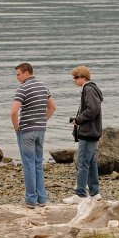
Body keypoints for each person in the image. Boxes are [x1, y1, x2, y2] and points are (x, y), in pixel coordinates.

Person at [11, 63, 56, 209]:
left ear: (26, 73)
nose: (17, 77)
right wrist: (42, 120)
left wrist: (17, 129)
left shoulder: (23, 88)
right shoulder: (44, 87)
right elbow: (52, 107)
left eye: (18, 74)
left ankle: (31, 200)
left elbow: (13, 112)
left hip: (27, 131)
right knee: (38, 163)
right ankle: (42, 199)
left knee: (28, 165)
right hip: (40, 130)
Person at [63, 66, 103, 205]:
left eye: (76, 78)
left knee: (82, 162)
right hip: (92, 131)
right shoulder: (91, 89)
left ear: (83, 78)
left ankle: (80, 193)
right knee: (91, 163)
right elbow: (92, 108)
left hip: (88, 132)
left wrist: (79, 119)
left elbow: (93, 108)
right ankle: (95, 193)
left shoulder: (88, 89)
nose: (74, 80)